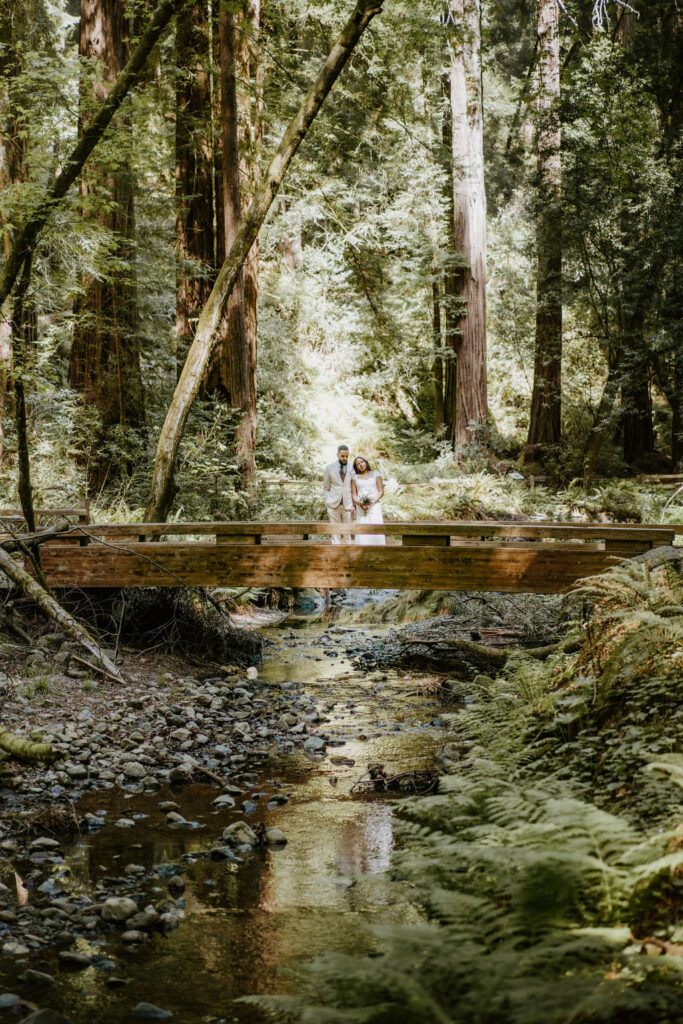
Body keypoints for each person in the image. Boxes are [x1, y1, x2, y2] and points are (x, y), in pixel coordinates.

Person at [323, 444, 355, 544]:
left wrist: (353, 504)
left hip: (348, 505)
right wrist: (328, 501)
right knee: (335, 533)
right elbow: (326, 487)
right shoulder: (329, 468)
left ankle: (348, 556)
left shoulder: (353, 468)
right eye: (342, 456)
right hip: (333, 505)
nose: (345, 458)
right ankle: (335, 556)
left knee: (348, 533)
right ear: (337, 455)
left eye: (347, 456)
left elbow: (354, 487)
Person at [351, 456, 385, 545]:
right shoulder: (354, 477)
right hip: (361, 506)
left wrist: (371, 503)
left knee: (376, 526)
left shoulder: (376, 474)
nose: (360, 465)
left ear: (366, 462)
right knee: (362, 527)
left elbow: (381, 491)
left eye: (362, 462)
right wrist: (360, 503)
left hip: (374, 505)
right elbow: (354, 495)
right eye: (357, 464)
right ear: (356, 467)